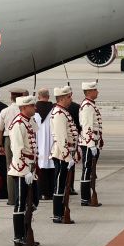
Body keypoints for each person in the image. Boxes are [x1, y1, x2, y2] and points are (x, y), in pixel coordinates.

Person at [6, 95, 40, 246]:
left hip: (30, 168)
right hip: (21, 169)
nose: (35, 108)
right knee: (20, 203)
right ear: (24, 108)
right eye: (32, 106)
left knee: (32, 200)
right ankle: (19, 236)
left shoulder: (28, 121)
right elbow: (17, 150)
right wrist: (25, 170)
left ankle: (26, 231)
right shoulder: (18, 124)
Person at [48, 86, 79, 224]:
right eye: (68, 97)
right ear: (61, 98)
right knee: (60, 184)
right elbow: (61, 137)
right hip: (61, 155)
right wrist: (67, 156)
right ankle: (58, 214)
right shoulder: (60, 113)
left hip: (65, 153)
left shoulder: (62, 112)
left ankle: (60, 212)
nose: (70, 99)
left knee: (63, 184)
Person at [0, 89, 27, 205]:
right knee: (23, 165)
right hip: (22, 139)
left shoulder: (5, 111)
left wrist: (0, 145)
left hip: (8, 139)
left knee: (10, 167)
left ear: (11, 98)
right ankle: (22, 197)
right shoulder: (24, 110)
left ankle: (12, 198)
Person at [78, 81, 103, 206]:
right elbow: (87, 126)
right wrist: (91, 143)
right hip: (89, 143)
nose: (97, 92)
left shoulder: (90, 105)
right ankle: (85, 198)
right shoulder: (88, 106)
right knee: (87, 170)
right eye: (95, 90)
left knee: (89, 170)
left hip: (92, 141)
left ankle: (87, 197)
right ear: (89, 92)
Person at [34, 87, 55, 202]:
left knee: (41, 166)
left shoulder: (34, 110)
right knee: (51, 166)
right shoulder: (54, 110)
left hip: (38, 142)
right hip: (51, 143)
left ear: (38, 96)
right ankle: (50, 192)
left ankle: (41, 192)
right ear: (48, 96)